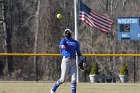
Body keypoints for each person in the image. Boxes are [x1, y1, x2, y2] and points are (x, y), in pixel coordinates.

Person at [50, 29, 86, 93]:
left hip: (73, 61)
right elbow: (60, 45)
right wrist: (62, 46)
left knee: (74, 79)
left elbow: (78, 52)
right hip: (66, 61)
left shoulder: (75, 42)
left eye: (67, 32)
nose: (66, 33)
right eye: (65, 33)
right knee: (63, 79)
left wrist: (83, 60)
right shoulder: (64, 40)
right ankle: (53, 89)